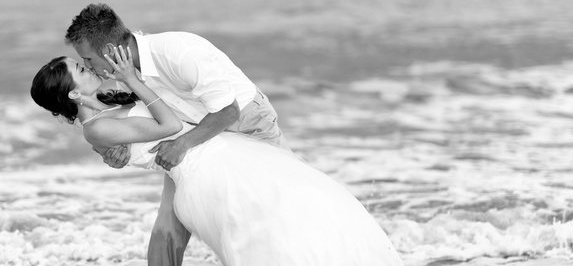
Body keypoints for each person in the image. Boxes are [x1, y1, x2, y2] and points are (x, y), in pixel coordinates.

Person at [30, 47, 403, 265]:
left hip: (218, 155)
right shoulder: (97, 128)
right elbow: (169, 124)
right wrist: (133, 79)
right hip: (203, 174)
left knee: (290, 214)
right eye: (80, 70)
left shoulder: (108, 110)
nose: (88, 68)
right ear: (74, 95)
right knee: (257, 234)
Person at [64, 3, 289, 265]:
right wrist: (115, 149)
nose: (87, 67)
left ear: (110, 51)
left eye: (88, 59)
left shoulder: (179, 53)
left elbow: (229, 111)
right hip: (195, 133)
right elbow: (135, 114)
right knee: (171, 217)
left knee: (282, 201)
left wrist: (180, 145)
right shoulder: (123, 71)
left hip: (248, 121)